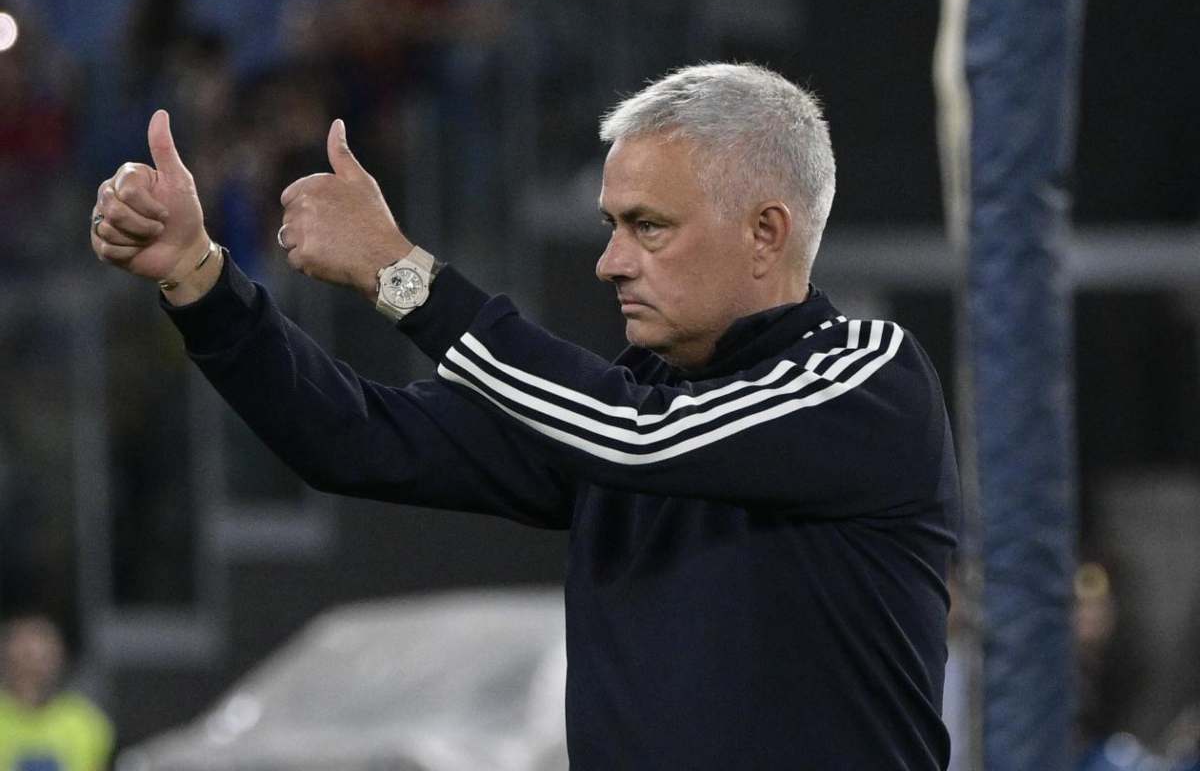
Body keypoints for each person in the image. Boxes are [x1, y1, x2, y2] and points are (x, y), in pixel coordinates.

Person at [90, 63, 960, 769]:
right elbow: (353, 439)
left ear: (767, 232)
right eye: (611, 225)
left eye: (649, 227)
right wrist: (199, 278)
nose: (610, 262)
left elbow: (641, 437)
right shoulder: (621, 408)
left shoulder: (866, 379)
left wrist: (403, 275)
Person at [0, 615, 114, 771]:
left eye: (43, 658)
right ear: (7, 662)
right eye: (26, 657)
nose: (34, 669)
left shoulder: (87, 722)